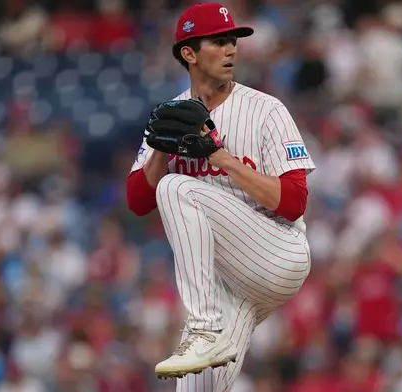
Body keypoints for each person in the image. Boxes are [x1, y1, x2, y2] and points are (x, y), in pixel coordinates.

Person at [126, 2, 315, 390]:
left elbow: (295, 201)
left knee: (177, 187)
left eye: (233, 41)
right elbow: (138, 202)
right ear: (189, 53)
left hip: (276, 249)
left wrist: (220, 158)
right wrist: (161, 148)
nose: (231, 49)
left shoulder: (265, 109)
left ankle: (203, 327)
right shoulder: (172, 114)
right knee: (196, 384)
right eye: (219, 41)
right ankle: (206, 335)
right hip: (229, 283)